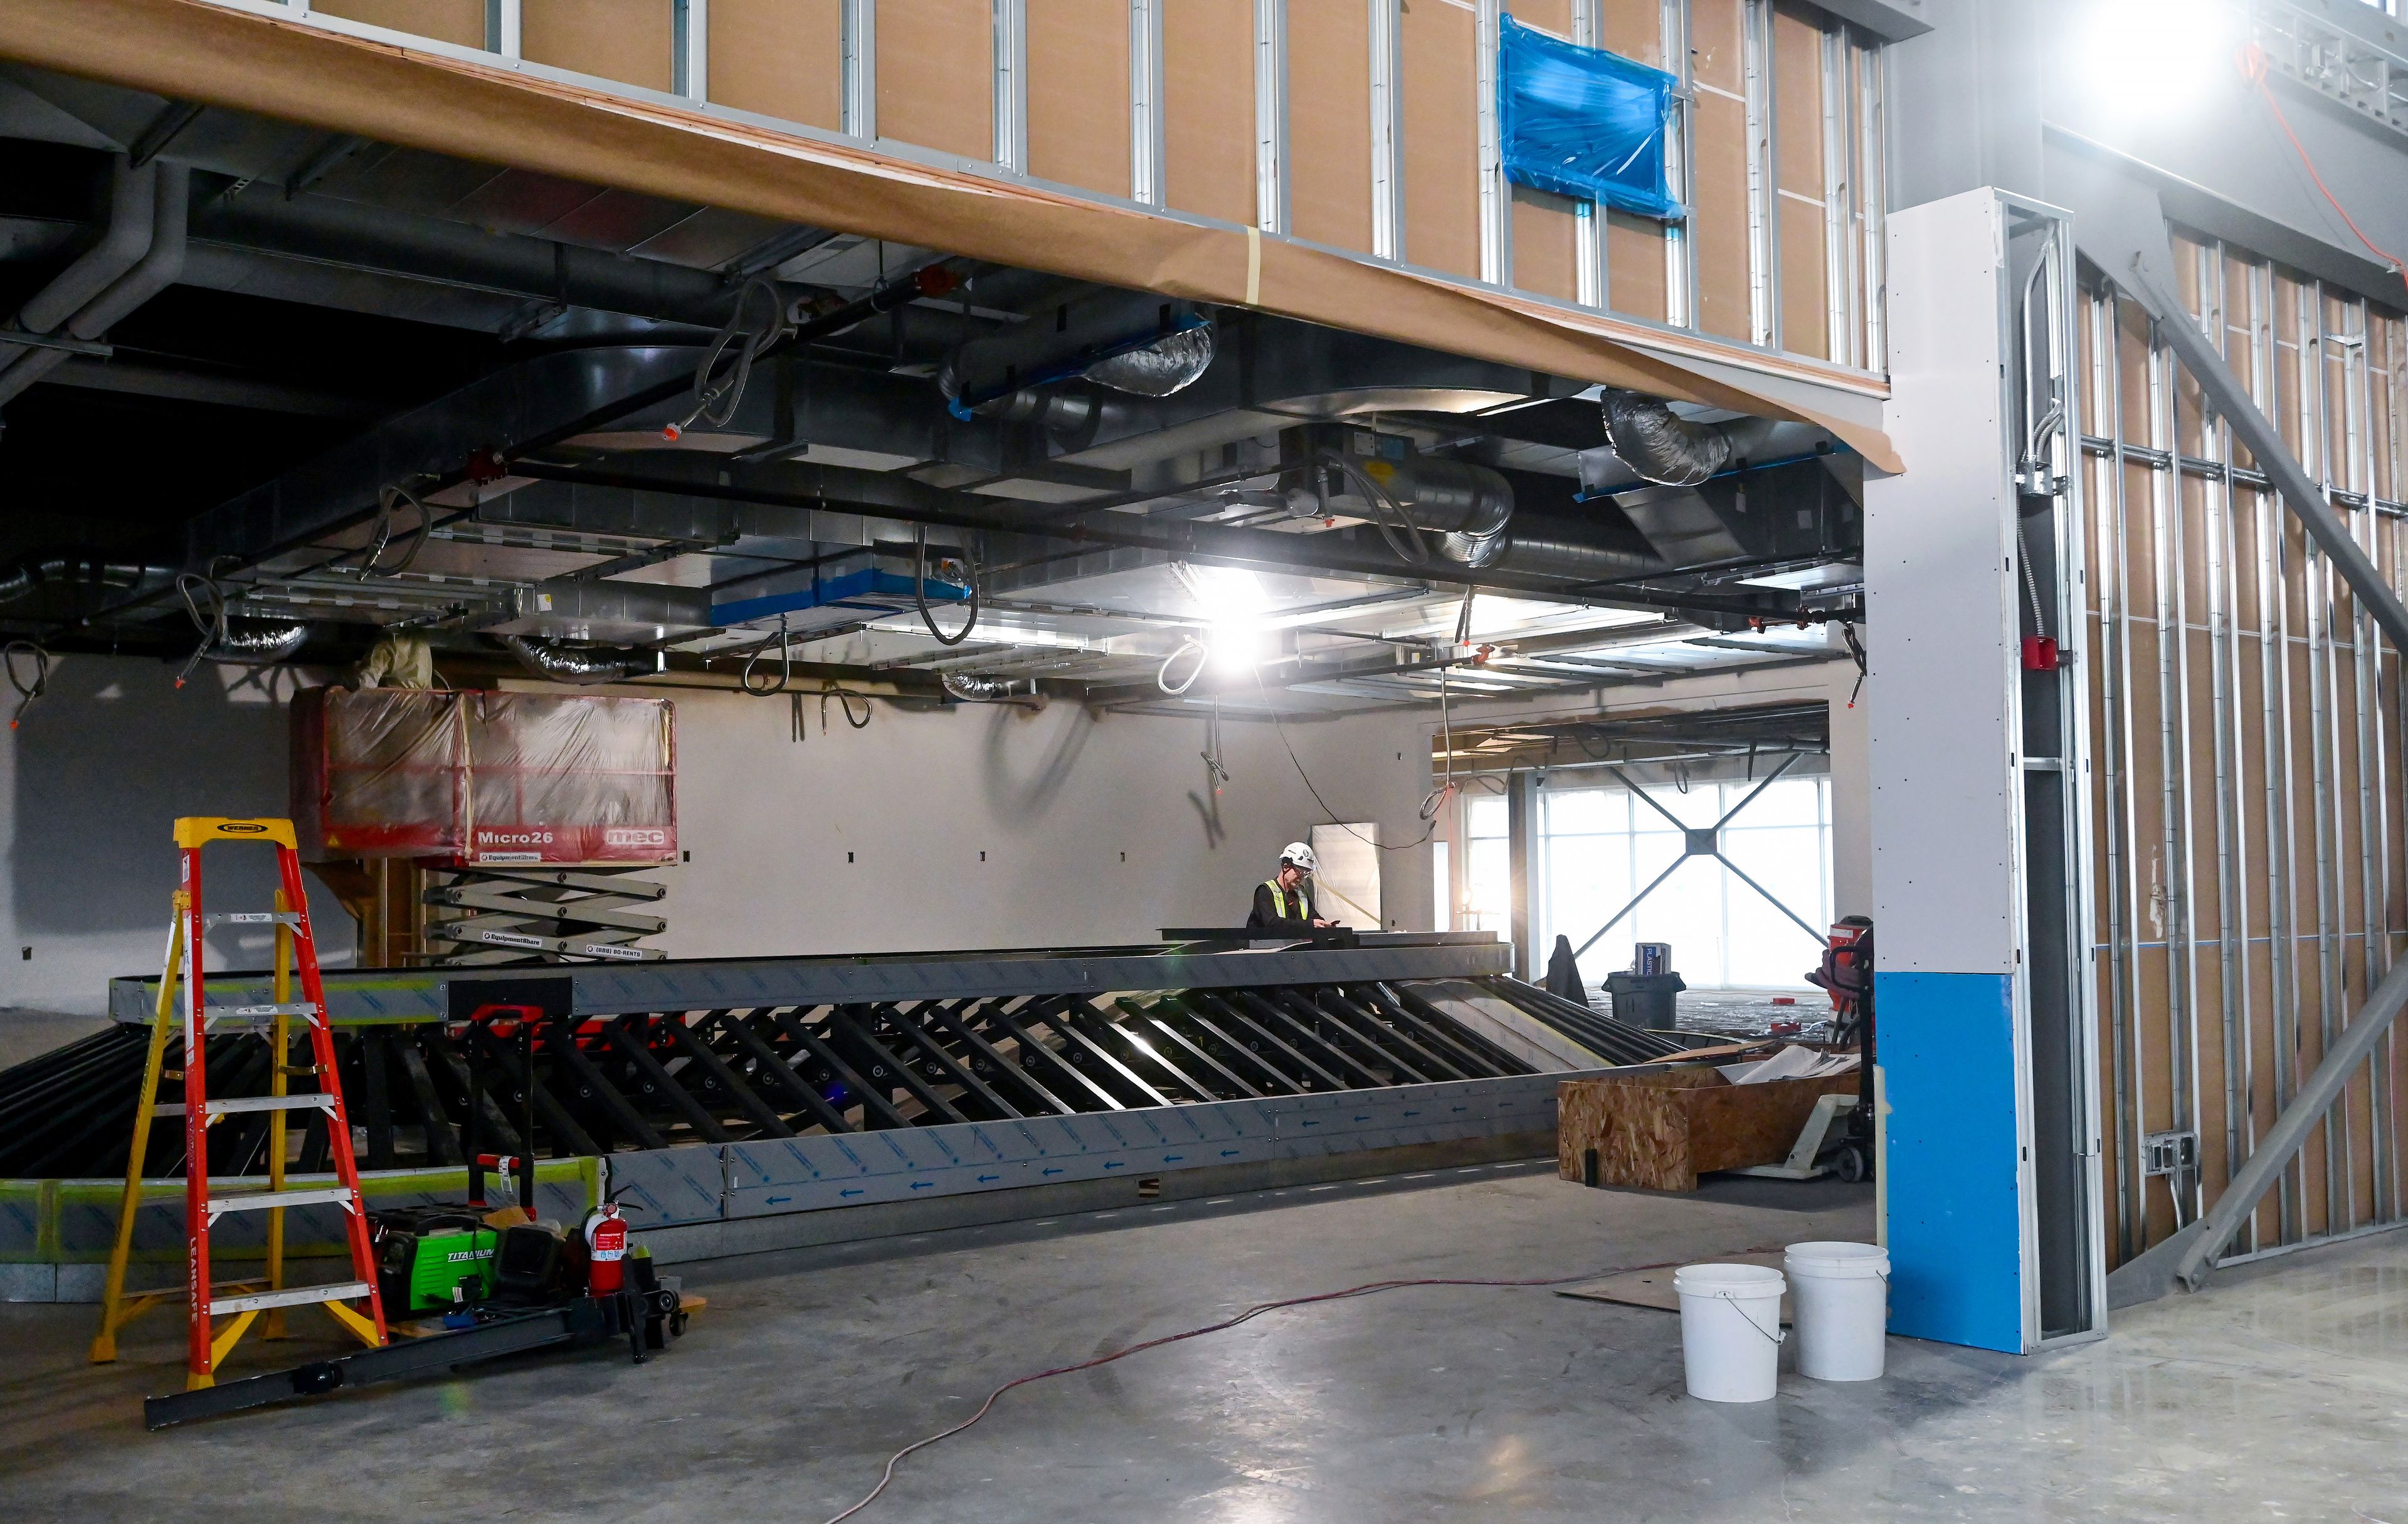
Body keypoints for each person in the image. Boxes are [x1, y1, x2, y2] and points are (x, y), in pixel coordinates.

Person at [1249, 841, 1338, 933]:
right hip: (1266, 946)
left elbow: (1312, 916)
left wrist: (1324, 925)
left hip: (1294, 946)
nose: (1302, 877)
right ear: (1286, 867)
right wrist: (1309, 925)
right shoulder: (1265, 891)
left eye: (1306, 873)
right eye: (1300, 871)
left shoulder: (1301, 893)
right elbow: (1272, 923)